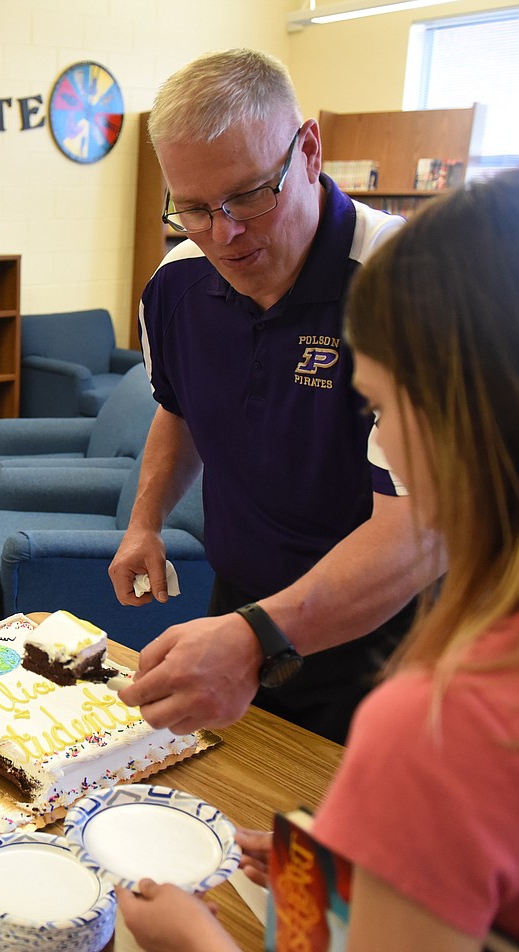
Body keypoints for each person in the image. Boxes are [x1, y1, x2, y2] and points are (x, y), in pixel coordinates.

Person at [116, 169, 519, 952]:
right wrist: (370, 863)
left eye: (382, 406)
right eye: (196, 207)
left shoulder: (434, 726)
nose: (223, 229)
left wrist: (199, 940)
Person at [107, 48, 442, 742]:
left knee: (353, 840)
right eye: (194, 209)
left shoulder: (407, 288)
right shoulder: (175, 286)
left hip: (388, 639)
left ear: (310, 149)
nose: (223, 235)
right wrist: (146, 521)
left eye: (251, 196)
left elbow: (421, 528)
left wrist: (260, 637)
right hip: (243, 608)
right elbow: (181, 408)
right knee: (245, 832)